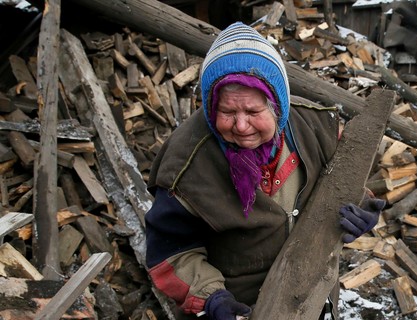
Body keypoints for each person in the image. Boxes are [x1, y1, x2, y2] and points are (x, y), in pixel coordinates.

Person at [144, 22, 386, 320]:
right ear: (210, 107)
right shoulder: (186, 162)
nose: (241, 126)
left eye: (253, 112)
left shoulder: (315, 127)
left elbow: (350, 183)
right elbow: (170, 252)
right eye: (228, 112)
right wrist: (212, 298)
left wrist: (362, 209)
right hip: (238, 310)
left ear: (277, 105)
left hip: (311, 300)